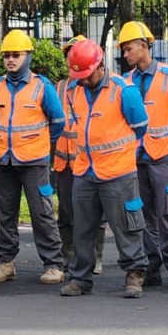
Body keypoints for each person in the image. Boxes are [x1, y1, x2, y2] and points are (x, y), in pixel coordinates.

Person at [58, 39, 151, 299]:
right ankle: (80, 278)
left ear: (100, 65)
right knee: (83, 228)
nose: (83, 80)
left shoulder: (124, 90)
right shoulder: (73, 90)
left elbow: (140, 125)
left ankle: (134, 274)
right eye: (79, 76)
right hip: (85, 171)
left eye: (87, 75)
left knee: (126, 226)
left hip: (118, 172)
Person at [0, 29, 65, 285]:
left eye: (16, 55)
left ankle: (53, 264)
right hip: (4, 162)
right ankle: (7, 263)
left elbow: (58, 122)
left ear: (28, 56)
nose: (11, 60)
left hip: (34, 163)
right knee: (5, 213)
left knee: (41, 213)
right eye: (7, 55)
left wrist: (40, 144)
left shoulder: (42, 87)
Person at [119, 21, 168, 288]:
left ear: (143, 45)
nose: (125, 55)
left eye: (129, 49)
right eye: (124, 50)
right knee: (142, 215)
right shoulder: (126, 82)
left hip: (165, 157)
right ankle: (152, 266)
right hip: (138, 158)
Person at [53, 36, 107, 276]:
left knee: (94, 212)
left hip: (88, 161)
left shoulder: (95, 86)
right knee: (65, 212)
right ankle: (69, 256)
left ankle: (95, 258)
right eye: (68, 54)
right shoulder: (59, 87)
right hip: (63, 161)